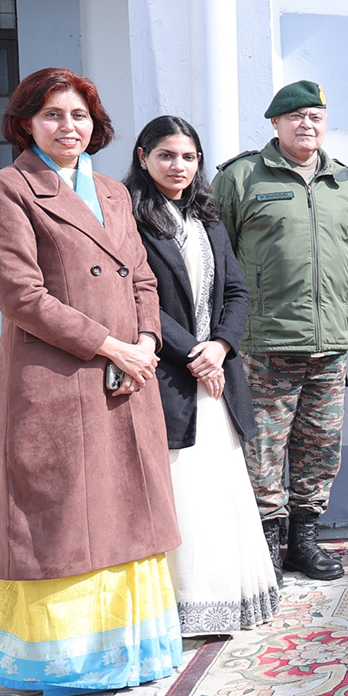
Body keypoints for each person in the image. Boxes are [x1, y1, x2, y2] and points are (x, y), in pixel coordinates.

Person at [0, 68, 183, 696]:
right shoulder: (2, 190)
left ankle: (134, 652)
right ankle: (64, 661)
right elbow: (21, 296)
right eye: (54, 115)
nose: (69, 128)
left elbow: (142, 278)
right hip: (58, 377)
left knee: (125, 509)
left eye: (80, 116)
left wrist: (145, 342)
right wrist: (108, 343)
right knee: (62, 517)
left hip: (127, 376)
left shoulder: (114, 192)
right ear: (25, 122)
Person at [128, 116, 279, 632]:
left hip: (216, 372)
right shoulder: (128, 217)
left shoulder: (207, 217)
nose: (179, 166)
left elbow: (237, 291)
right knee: (182, 486)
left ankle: (227, 598)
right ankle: (180, 607)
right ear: (143, 155)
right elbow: (134, 297)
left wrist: (220, 345)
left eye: (189, 157)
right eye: (167, 155)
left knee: (219, 486)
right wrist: (194, 352)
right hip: (167, 374)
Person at [214, 81, 348, 581]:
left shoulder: (344, 182)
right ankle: (266, 544)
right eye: (297, 116)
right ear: (275, 123)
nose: (308, 125)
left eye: (317, 117)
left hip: (328, 345)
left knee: (320, 445)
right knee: (262, 449)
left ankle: (305, 537)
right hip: (264, 343)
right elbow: (220, 260)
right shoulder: (241, 178)